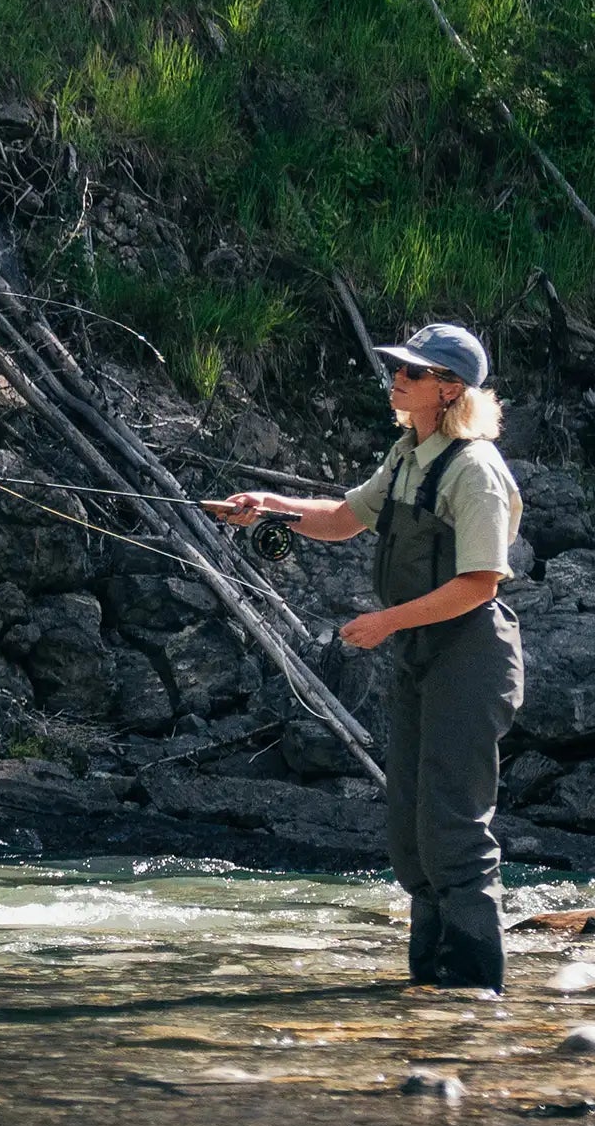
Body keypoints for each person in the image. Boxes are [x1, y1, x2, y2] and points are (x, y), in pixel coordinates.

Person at [211, 321, 526, 989]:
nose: (398, 379)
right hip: (420, 652)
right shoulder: (411, 453)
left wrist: (384, 622)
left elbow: (480, 583)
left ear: (449, 389)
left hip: (469, 654)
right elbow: (341, 519)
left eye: (412, 373)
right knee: (412, 834)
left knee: (455, 831)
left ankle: (475, 991)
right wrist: (266, 507)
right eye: (399, 369)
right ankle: (429, 989)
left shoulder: (474, 470)